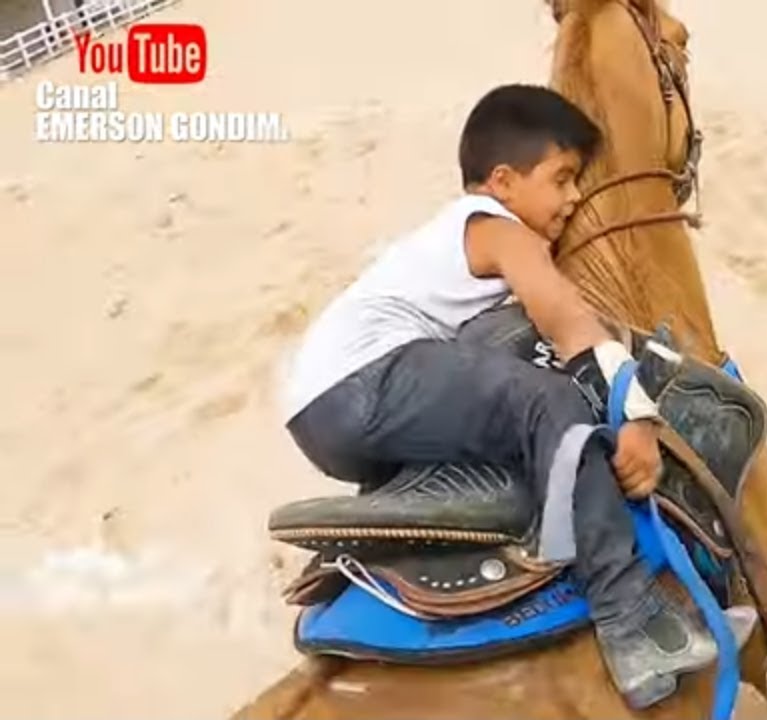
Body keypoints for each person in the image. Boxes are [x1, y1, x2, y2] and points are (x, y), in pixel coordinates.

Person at [278, 83, 717, 709]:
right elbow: (564, 320)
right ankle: (629, 616)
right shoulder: (498, 228)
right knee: (547, 405)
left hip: (318, 414)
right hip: (362, 380)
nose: (574, 198)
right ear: (504, 181)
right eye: (563, 178)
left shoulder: (439, 251)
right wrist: (633, 409)